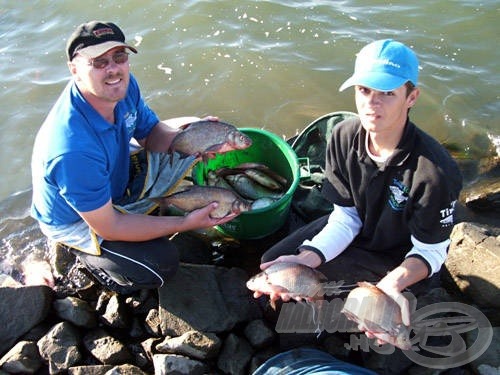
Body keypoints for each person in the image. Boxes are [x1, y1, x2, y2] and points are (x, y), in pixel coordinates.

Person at [253, 40, 462, 343]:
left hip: (402, 258)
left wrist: (389, 286)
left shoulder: (435, 172)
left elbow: (431, 250)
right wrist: (308, 258)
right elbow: (345, 218)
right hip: (358, 231)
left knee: (345, 314)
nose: (371, 104)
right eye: (364, 90)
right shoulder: (342, 136)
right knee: (276, 267)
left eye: (387, 93)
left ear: (411, 97)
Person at [31, 21, 237, 294]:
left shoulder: (122, 87)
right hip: (78, 219)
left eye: (119, 57)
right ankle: (72, 255)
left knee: (197, 130)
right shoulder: (71, 149)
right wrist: (185, 224)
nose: (113, 69)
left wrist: (196, 137)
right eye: (99, 62)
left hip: (112, 166)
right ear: (74, 70)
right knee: (160, 266)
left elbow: (151, 133)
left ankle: (139, 204)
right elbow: (111, 225)